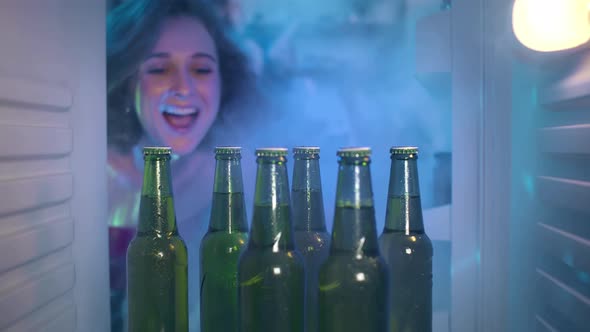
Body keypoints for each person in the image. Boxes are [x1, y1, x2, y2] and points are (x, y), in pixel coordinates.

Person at [107, 1, 260, 331]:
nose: (184, 89)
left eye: (202, 69)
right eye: (160, 69)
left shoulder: (246, 182)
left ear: (224, 80)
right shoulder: (92, 179)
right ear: (127, 82)